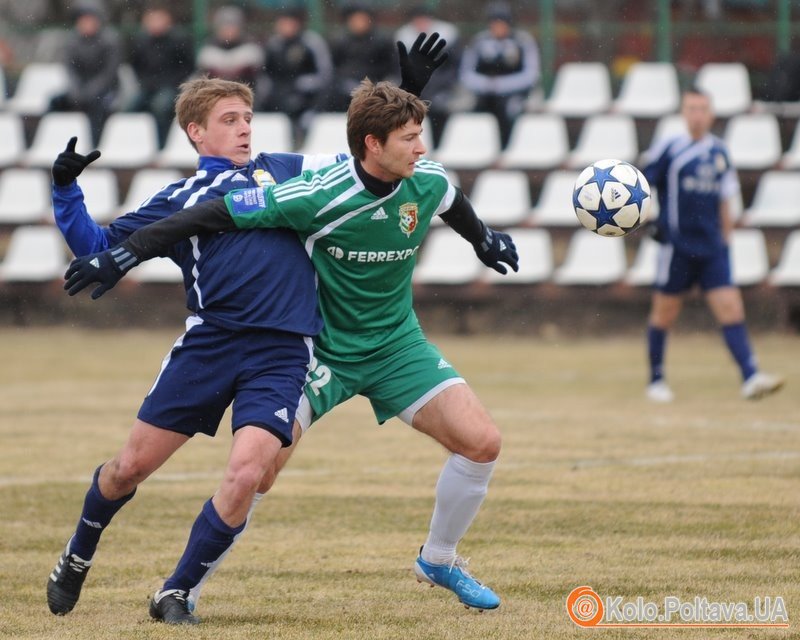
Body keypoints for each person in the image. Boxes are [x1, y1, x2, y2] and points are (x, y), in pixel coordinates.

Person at [64, 79, 520, 614]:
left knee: (482, 442)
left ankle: (438, 559)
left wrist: (486, 241)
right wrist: (124, 251)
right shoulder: (311, 194)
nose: (421, 148)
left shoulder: (423, 179)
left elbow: (452, 200)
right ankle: (180, 589)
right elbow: (217, 212)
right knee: (256, 472)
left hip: (397, 344)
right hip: (316, 349)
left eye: (247, 118)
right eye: (230, 119)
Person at [642, 88, 784, 403]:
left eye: (702, 109)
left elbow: (725, 200)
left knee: (731, 308)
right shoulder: (670, 149)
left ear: (711, 114)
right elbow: (639, 188)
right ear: (683, 113)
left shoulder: (719, 152)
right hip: (676, 247)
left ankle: (750, 377)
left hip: (711, 248)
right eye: (691, 108)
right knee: (664, 313)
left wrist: (726, 241)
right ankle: (656, 380)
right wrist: (649, 219)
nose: (696, 114)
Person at [458, 1, 539, 148]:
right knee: (475, 114)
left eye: (502, 23)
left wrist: (501, 85)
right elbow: (466, 73)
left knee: (510, 112)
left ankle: (507, 149)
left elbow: (530, 74)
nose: (498, 27)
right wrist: (486, 84)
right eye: (494, 23)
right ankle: (478, 149)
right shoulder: (480, 41)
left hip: (515, 94)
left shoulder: (523, 41)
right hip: (485, 94)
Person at [49, 1, 122, 145]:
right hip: (80, 90)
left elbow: (109, 73)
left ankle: (94, 145)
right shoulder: (72, 41)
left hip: (106, 91)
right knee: (55, 103)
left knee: (97, 108)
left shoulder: (110, 41)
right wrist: (77, 90)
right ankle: (57, 142)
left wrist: (91, 91)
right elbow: (70, 69)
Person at [126, 3, 194, 146]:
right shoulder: (141, 41)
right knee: (129, 108)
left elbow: (187, 67)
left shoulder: (179, 40)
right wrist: (145, 82)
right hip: (147, 86)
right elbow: (135, 65)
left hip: (170, 86)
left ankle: (161, 146)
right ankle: (135, 145)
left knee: (161, 107)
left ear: (167, 20)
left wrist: (172, 83)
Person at [260, 7, 332, 140]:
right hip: (280, 95)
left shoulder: (311, 42)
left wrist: (303, 84)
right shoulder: (273, 45)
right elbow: (266, 75)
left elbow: (324, 74)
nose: (286, 27)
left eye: (289, 22)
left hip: (306, 96)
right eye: (283, 23)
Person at [395, 5, 462, 147]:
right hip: (412, 90)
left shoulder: (448, 37)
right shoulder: (403, 38)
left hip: (443, 89)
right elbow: (398, 71)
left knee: (440, 108)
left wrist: (436, 85)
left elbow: (454, 70)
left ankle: (439, 148)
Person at [323, 3, 396, 112]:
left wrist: (378, 87)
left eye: (362, 19)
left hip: (377, 91)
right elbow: (332, 70)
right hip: (344, 92)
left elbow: (393, 69)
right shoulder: (339, 42)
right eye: (355, 19)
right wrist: (345, 84)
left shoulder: (383, 42)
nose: (358, 23)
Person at [196, 5, 263, 87]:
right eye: (225, 26)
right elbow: (200, 78)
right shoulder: (209, 49)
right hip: (215, 95)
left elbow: (260, 81)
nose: (229, 30)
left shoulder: (250, 48)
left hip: (245, 94)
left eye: (232, 26)